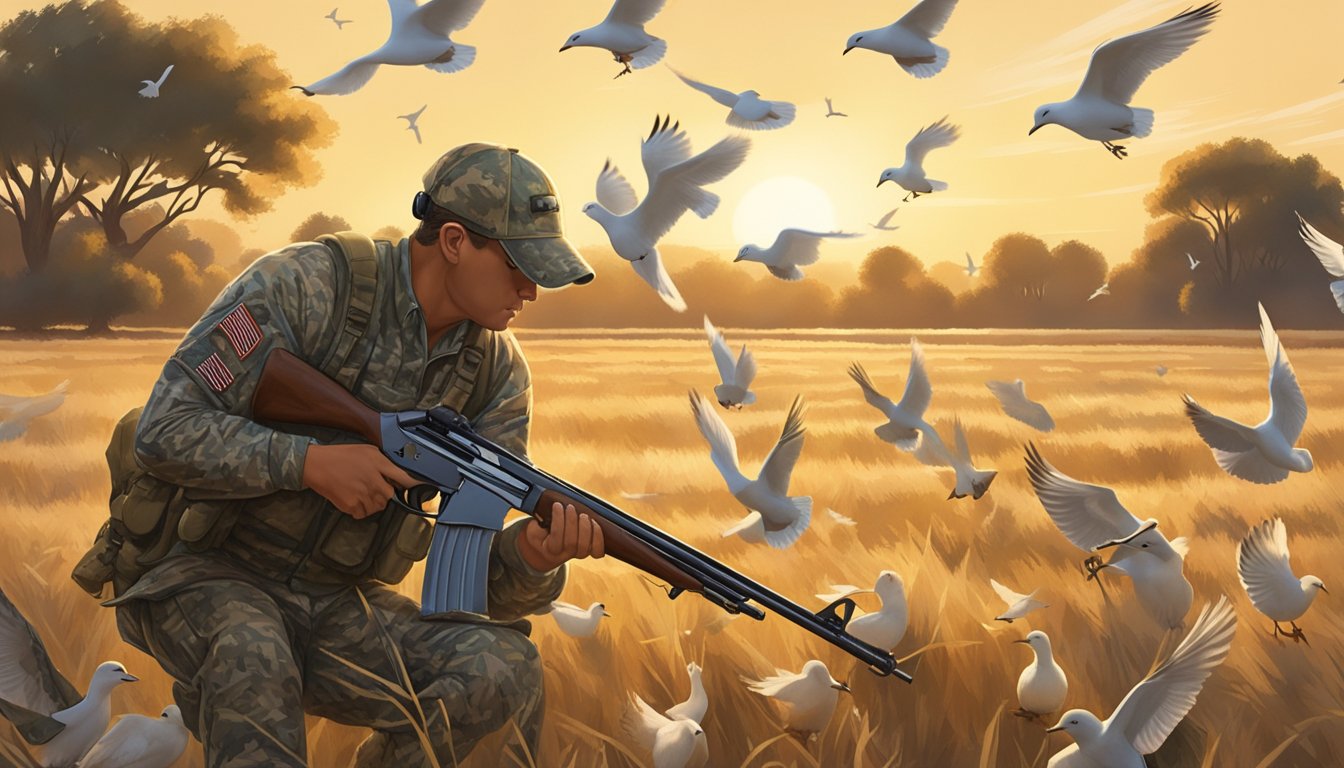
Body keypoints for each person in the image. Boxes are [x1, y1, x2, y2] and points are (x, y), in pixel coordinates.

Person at [106, 143, 601, 767]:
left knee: (502, 664)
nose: (531, 290)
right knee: (251, 650)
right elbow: (165, 429)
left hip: (337, 602)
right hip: (203, 573)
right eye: (516, 267)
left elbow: (474, 589)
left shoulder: (496, 375)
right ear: (453, 241)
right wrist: (309, 463)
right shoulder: (304, 286)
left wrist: (533, 555)